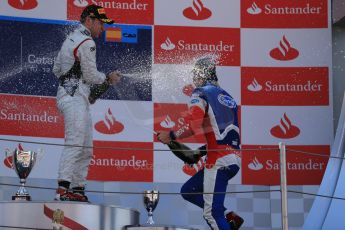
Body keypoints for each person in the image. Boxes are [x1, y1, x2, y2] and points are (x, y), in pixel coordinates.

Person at [157, 57, 244, 229]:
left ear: (201, 75)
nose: (193, 80)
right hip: (234, 158)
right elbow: (224, 133)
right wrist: (200, 152)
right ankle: (230, 216)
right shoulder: (228, 97)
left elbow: (192, 127)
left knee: (211, 214)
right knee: (189, 190)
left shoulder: (200, 92)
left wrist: (171, 135)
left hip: (218, 160)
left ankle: (224, 216)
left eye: (195, 76)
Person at [53, 4, 120, 202]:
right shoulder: (87, 41)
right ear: (89, 20)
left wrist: (74, 81)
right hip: (73, 97)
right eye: (100, 23)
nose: (103, 28)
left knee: (85, 146)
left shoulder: (71, 38)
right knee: (76, 142)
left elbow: (57, 69)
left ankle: (77, 188)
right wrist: (107, 78)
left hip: (73, 96)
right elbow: (91, 75)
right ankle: (63, 189)